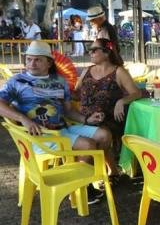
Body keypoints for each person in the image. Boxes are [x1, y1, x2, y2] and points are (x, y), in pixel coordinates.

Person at [0, 41, 114, 203]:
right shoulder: (17, 81)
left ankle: (80, 173)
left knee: (104, 135)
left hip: (61, 129)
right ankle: (79, 187)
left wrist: (87, 119)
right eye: (29, 59)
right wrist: (23, 119)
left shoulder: (59, 81)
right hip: (41, 136)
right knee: (87, 145)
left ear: (49, 62)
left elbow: (68, 111)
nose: (32, 63)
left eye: (38, 59)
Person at [76, 38, 141, 183]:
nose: (90, 52)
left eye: (94, 50)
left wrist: (121, 101)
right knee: (95, 134)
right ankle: (108, 171)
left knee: (100, 133)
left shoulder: (119, 72)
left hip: (107, 118)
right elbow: (76, 93)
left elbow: (136, 93)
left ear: (106, 53)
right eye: (89, 50)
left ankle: (95, 173)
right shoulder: (87, 71)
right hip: (84, 117)